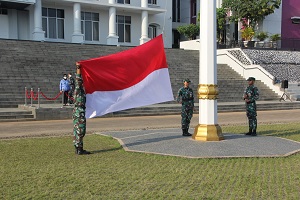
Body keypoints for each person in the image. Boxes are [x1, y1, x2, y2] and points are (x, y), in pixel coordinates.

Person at [73, 63, 90, 155]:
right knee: (81, 130)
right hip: (79, 112)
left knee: (77, 130)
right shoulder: (78, 88)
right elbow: (78, 79)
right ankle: (79, 149)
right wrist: (78, 68)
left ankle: (78, 148)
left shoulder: (80, 90)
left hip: (78, 112)